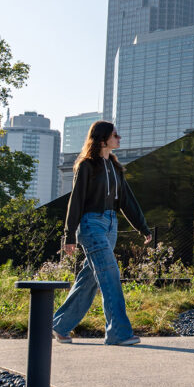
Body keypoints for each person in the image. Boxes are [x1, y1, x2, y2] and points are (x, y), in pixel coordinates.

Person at [52, 121, 152, 346]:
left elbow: (127, 201)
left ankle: (59, 325)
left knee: (89, 280)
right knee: (109, 275)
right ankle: (118, 332)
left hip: (110, 226)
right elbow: (75, 200)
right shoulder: (86, 166)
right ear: (102, 138)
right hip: (91, 225)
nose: (120, 138)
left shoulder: (116, 168)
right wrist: (69, 236)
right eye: (116, 134)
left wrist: (142, 227)